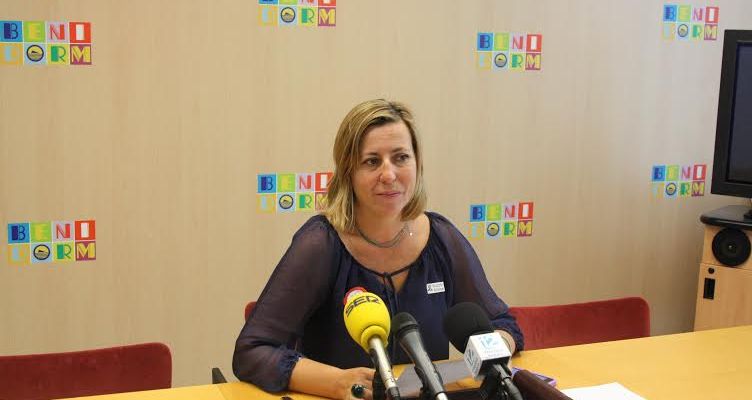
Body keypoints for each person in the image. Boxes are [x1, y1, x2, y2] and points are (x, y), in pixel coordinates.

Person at [233, 99, 523, 399]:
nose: (389, 174)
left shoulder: (442, 238)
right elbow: (252, 351)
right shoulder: (320, 244)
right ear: (348, 172)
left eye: (401, 158)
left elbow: (504, 325)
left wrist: (493, 353)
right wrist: (337, 382)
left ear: (417, 164)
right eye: (372, 161)